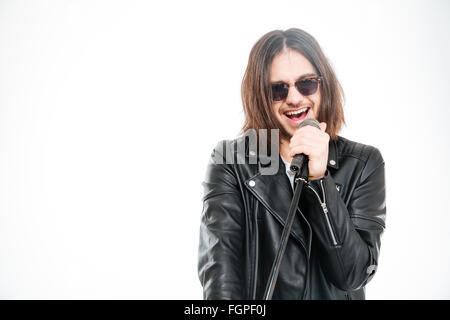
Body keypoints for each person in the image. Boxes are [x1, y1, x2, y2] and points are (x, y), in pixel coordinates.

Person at [197, 28, 386, 300]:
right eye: (278, 89)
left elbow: (352, 275)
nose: (294, 98)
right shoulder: (231, 160)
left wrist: (320, 181)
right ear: (260, 95)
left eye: (306, 83)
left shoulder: (364, 162)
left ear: (324, 84)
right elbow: (220, 273)